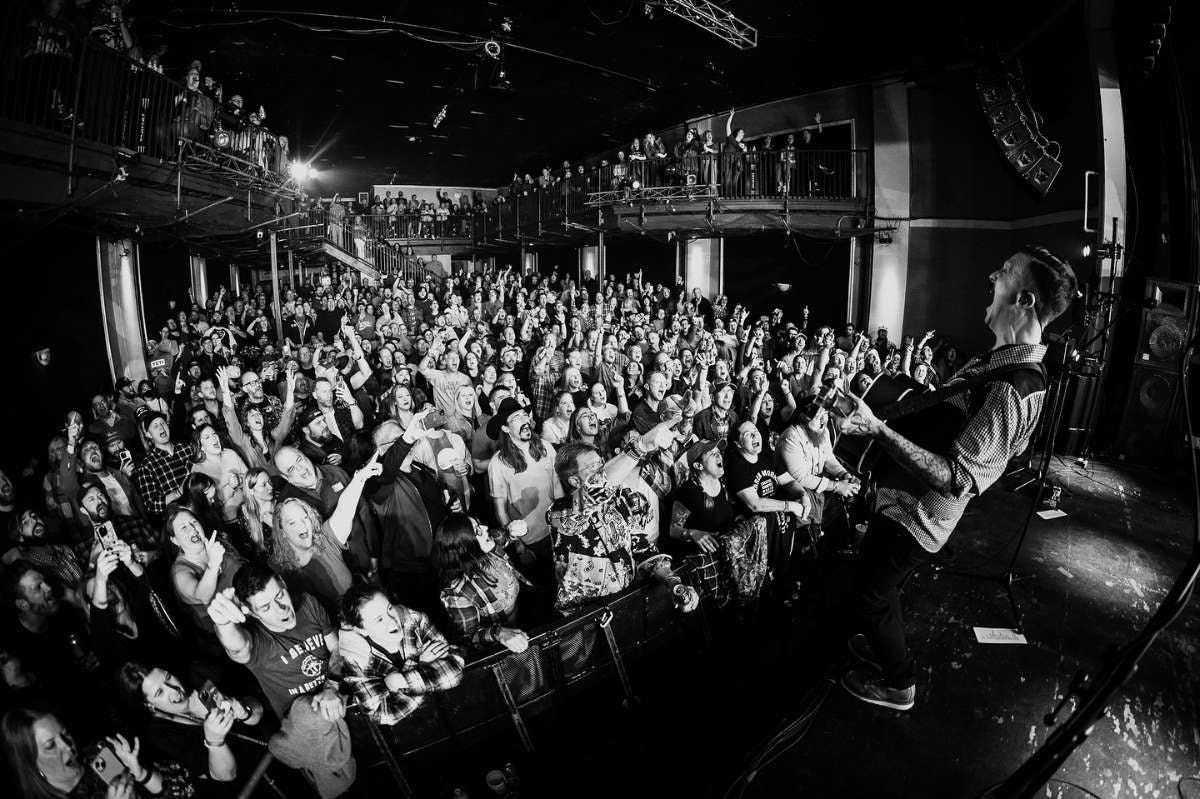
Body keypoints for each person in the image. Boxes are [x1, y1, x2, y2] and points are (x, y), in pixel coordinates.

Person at [834, 245, 1076, 710]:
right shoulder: (1002, 363)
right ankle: (887, 643)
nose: (991, 273)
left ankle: (898, 681)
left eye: (1004, 271)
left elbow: (957, 479)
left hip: (918, 516)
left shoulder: (1013, 385)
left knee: (868, 597)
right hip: (903, 501)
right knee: (881, 590)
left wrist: (879, 430)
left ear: (1024, 300)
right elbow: (1015, 447)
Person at [205, 566, 355, 799]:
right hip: (303, 719)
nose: (281, 609)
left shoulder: (306, 603)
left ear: (283, 583)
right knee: (309, 711)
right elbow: (238, 648)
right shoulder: (257, 641)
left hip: (337, 692)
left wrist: (331, 686)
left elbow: (337, 647)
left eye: (279, 595)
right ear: (251, 612)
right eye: (265, 607)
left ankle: (294, 746)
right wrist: (223, 624)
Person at [547, 421, 700, 616]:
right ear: (575, 480)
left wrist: (672, 581)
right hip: (584, 619)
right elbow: (594, 490)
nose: (602, 470)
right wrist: (641, 446)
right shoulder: (560, 513)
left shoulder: (621, 500)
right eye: (594, 468)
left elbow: (642, 548)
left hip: (626, 606)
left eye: (602, 463)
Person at [118, 662, 264, 791]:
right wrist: (215, 741)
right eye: (159, 692)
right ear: (149, 705)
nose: (174, 690)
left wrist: (245, 712)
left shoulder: (196, 674)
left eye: (168, 677)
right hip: (253, 784)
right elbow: (226, 775)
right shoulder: (161, 733)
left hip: (273, 745)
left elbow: (257, 703)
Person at [268, 452, 381, 616]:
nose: (302, 526)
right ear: (282, 532)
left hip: (364, 599)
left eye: (305, 517)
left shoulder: (325, 540)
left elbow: (345, 508)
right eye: (292, 523)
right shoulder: (282, 569)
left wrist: (359, 479)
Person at [337, 583, 465, 727]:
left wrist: (400, 682)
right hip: (410, 732)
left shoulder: (414, 619)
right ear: (362, 630)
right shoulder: (354, 658)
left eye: (389, 608)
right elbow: (383, 715)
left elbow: (454, 669)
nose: (392, 620)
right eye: (379, 619)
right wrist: (419, 664)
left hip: (450, 713)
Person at [0, 709, 180, 799]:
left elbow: (172, 791)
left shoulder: (97, 757)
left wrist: (141, 772)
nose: (68, 747)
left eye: (65, 734)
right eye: (50, 745)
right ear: (29, 759)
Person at [486, 398, 559, 593]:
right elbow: (500, 511)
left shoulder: (546, 447)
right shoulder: (498, 463)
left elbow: (559, 492)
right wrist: (518, 546)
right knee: (545, 589)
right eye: (516, 417)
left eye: (525, 415)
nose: (524, 420)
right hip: (530, 541)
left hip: (557, 531)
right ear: (505, 428)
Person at [432, 513, 530, 652]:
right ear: (464, 547)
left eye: (479, 524)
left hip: (525, 617)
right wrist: (498, 633)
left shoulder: (487, 544)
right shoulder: (457, 591)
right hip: (502, 649)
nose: (485, 528)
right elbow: (468, 635)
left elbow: (504, 535)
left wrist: (515, 530)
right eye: (477, 530)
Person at [133, 413, 195, 524]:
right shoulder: (147, 465)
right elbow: (151, 505)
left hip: (202, 507)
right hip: (180, 520)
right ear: (148, 434)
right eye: (155, 426)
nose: (161, 427)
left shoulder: (187, 448)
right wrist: (177, 493)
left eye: (163, 423)